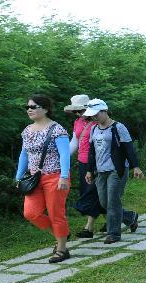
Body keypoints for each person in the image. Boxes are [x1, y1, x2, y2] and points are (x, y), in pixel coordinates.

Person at [15, 94, 72, 263]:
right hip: (34, 179)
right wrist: (19, 177)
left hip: (55, 176)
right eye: (28, 107)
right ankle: (61, 233)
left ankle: (62, 249)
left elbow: (65, 155)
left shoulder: (57, 129)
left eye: (33, 107)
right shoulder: (27, 130)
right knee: (30, 213)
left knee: (56, 213)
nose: (29, 110)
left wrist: (63, 176)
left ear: (46, 109)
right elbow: (24, 155)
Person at [83, 99, 143, 244]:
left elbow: (128, 148)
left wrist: (136, 166)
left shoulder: (118, 127)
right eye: (92, 115)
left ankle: (114, 234)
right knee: (104, 202)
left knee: (113, 201)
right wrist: (89, 170)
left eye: (96, 114)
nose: (94, 117)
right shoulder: (93, 129)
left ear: (104, 111)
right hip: (100, 170)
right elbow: (91, 151)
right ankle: (130, 217)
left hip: (117, 169)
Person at [64, 93, 105, 237]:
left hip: (96, 162)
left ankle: (89, 228)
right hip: (82, 162)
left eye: (80, 110)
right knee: (93, 193)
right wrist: (63, 158)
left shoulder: (97, 122)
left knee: (91, 193)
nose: (78, 113)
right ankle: (123, 218)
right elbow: (74, 142)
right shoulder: (77, 122)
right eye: (75, 111)